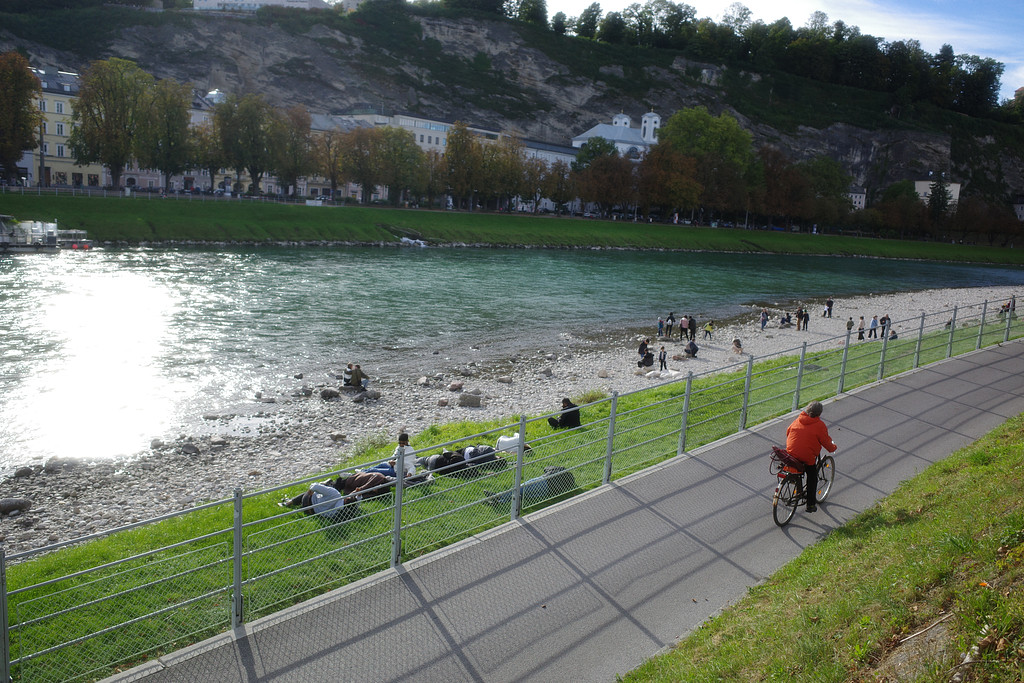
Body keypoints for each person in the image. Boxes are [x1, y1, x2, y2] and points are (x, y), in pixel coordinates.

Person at [785, 400, 837, 513]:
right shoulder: (819, 425)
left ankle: (794, 480)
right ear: (819, 414)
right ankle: (810, 505)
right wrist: (833, 448)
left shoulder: (797, 420)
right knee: (812, 477)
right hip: (807, 457)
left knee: (798, 464)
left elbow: (788, 432)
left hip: (791, 453)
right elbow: (825, 441)